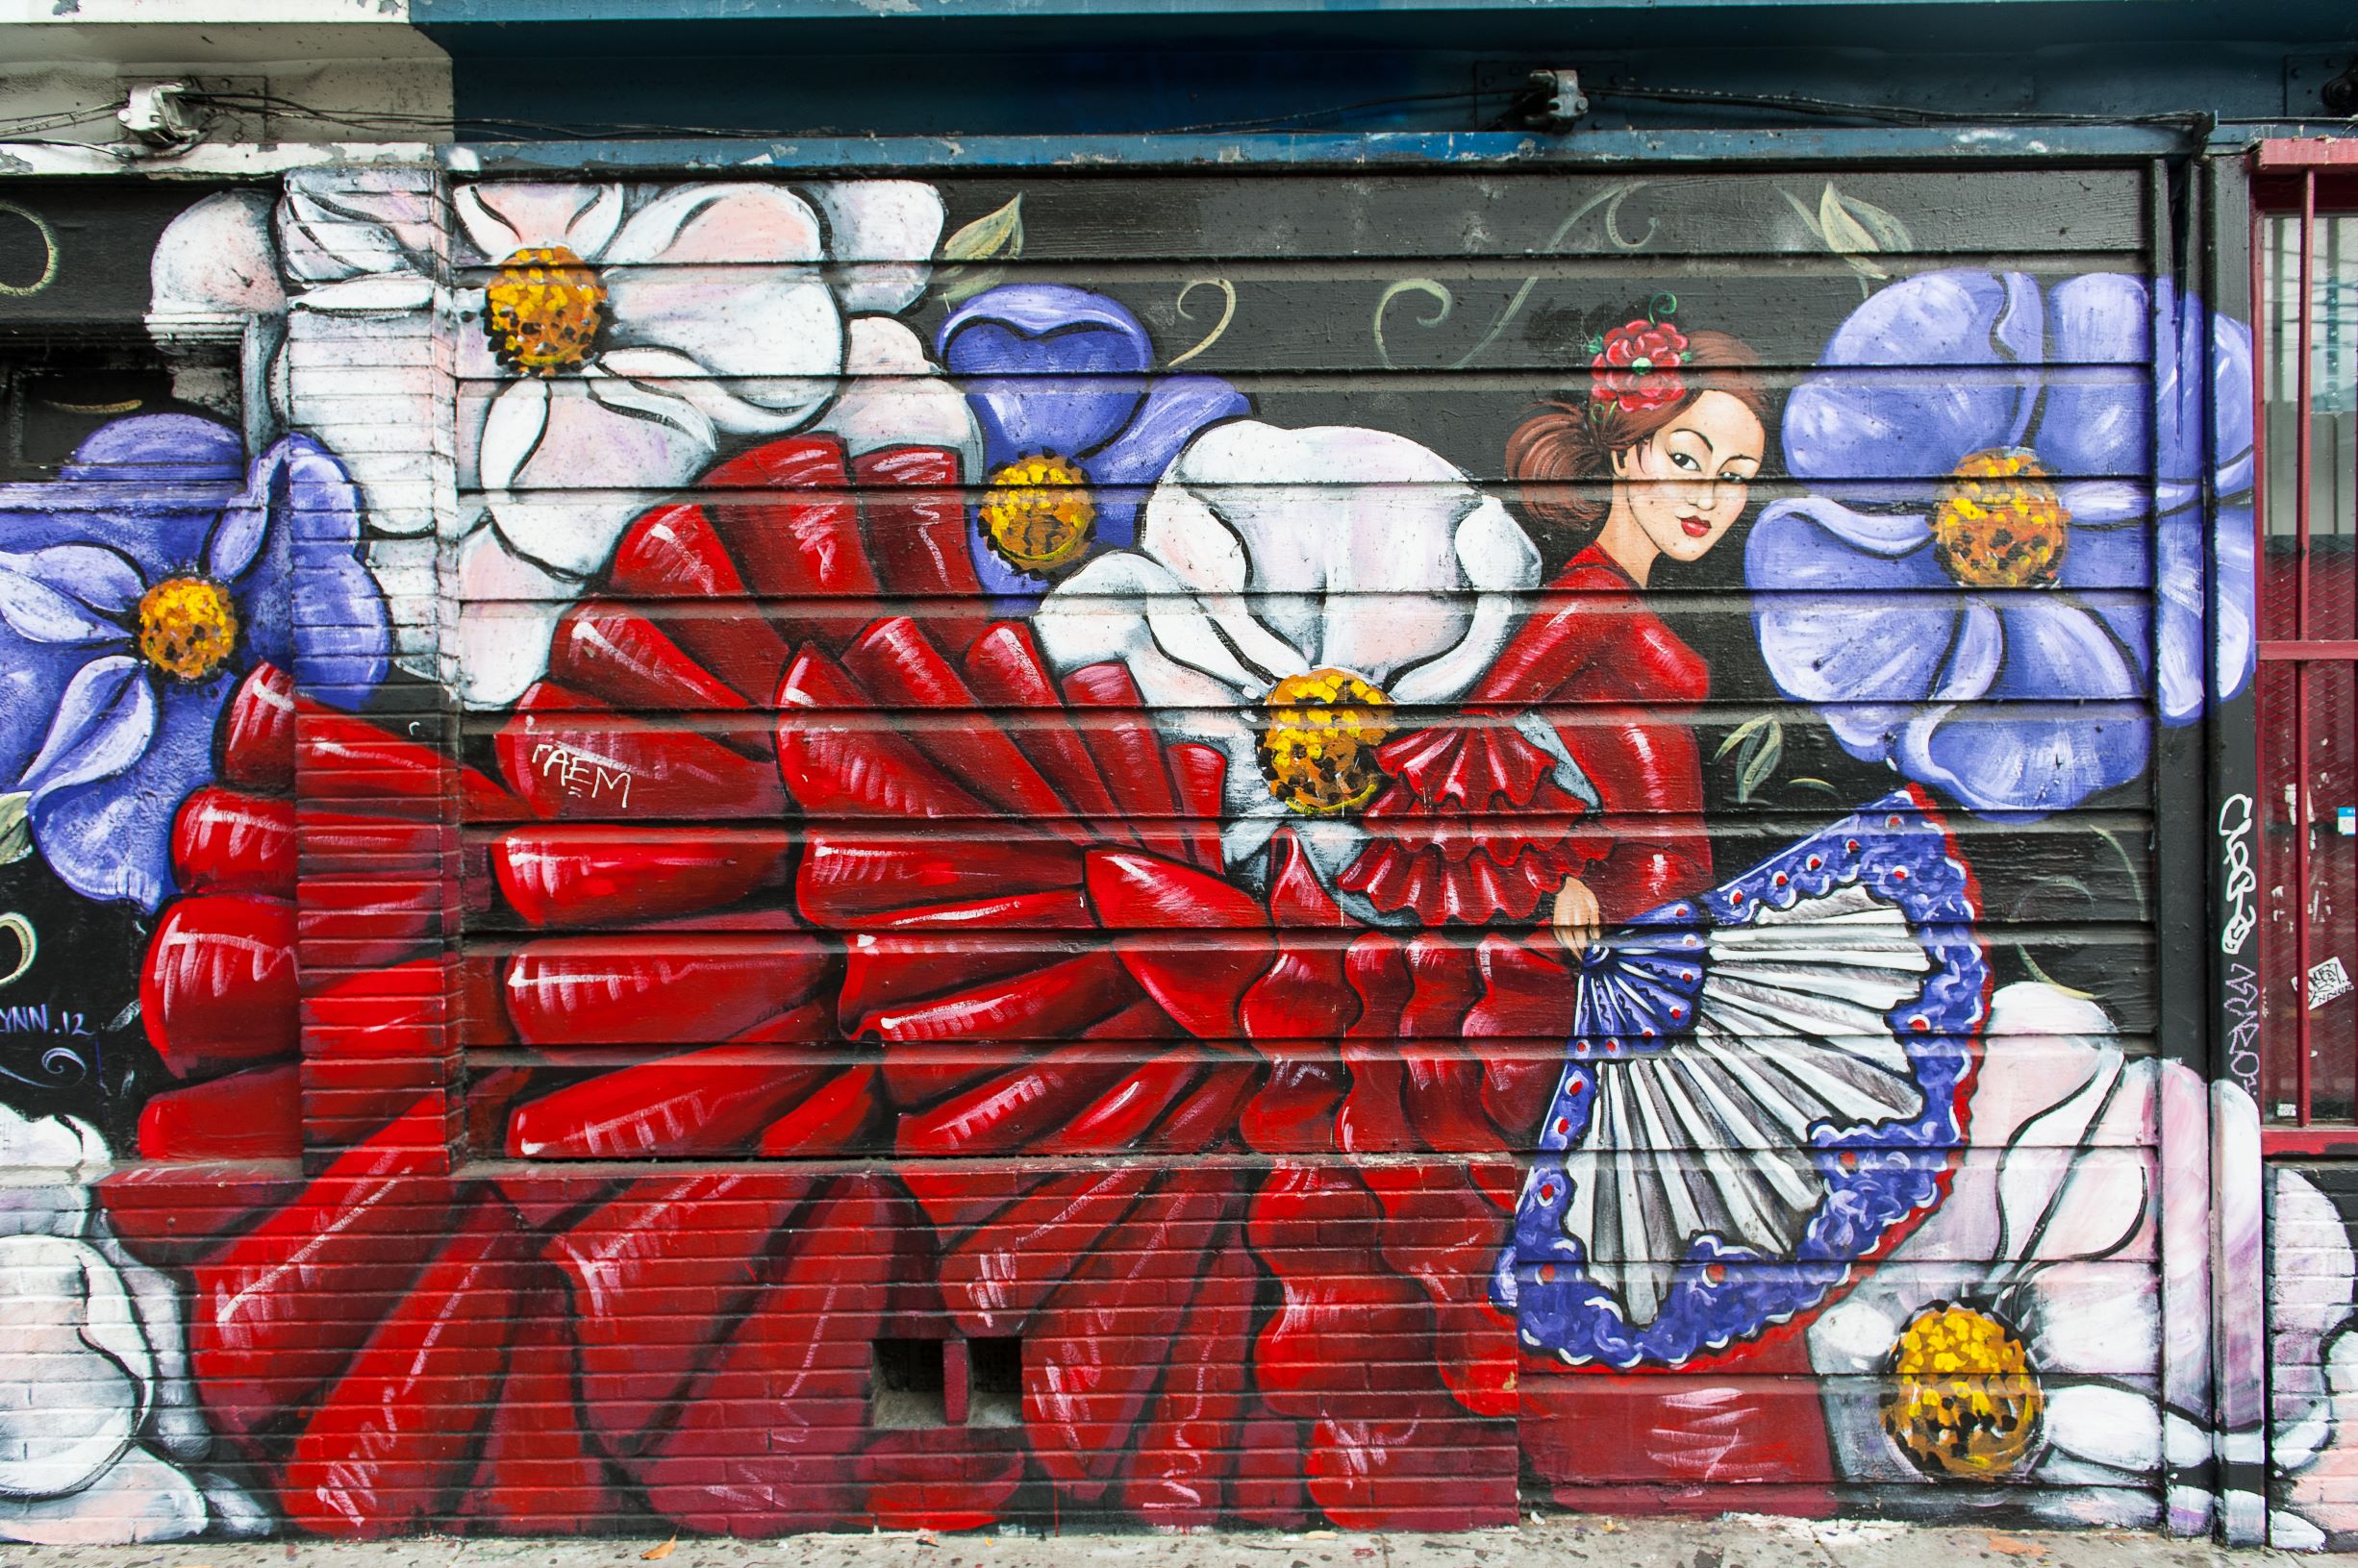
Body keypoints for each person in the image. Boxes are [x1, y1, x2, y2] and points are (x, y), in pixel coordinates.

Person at [1338, 314, 1771, 951]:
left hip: (1670, 900)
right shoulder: (1593, 595)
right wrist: (1557, 876)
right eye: (1686, 459)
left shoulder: (1615, 592)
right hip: (1623, 905)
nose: (1707, 498)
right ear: (1625, 451)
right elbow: (1477, 734)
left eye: (1735, 476)